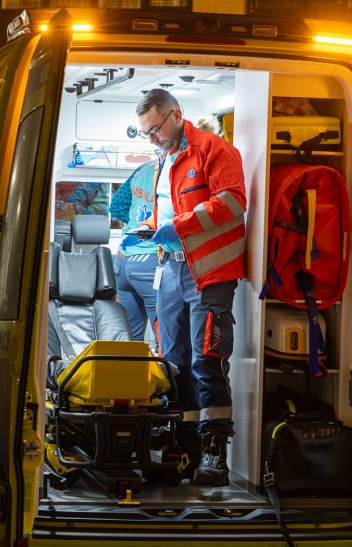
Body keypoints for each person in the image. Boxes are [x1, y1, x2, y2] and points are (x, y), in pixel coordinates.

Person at [121, 88, 247, 487]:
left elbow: (233, 203)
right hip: (170, 270)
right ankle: (184, 451)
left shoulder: (213, 150)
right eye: (144, 133)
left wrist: (178, 226)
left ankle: (215, 456)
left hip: (207, 274)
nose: (151, 138)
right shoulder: (163, 160)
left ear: (176, 115)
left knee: (206, 359)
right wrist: (152, 230)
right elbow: (169, 213)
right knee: (172, 363)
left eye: (154, 129)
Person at [109, 163, 159, 347]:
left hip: (123, 259)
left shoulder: (142, 169)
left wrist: (135, 225)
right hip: (150, 260)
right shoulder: (175, 169)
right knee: (165, 338)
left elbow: (117, 205)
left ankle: (127, 375)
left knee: (128, 340)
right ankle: (167, 376)